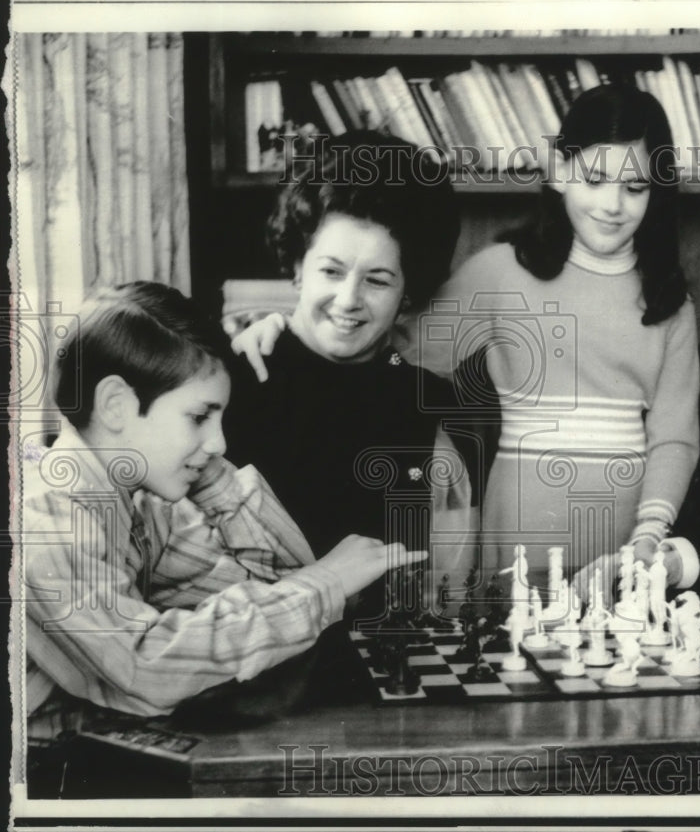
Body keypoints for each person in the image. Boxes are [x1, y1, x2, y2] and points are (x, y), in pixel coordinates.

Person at [236, 86, 700, 597]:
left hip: (623, 532)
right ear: (558, 171)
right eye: (594, 179)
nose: (613, 204)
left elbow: (674, 435)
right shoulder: (499, 272)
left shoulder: (670, 303)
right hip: (515, 533)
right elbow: (388, 329)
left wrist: (650, 535)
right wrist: (277, 323)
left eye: (635, 187)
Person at [20, 282, 424, 735]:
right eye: (198, 418)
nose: (220, 442)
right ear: (116, 405)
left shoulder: (142, 507)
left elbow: (274, 580)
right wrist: (325, 582)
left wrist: (214, 480)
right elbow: (148, 666)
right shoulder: (45, 520)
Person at [223, 131, 475, 606]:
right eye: (331, 272)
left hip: (392, 663)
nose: (348, 300)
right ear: (298, 266)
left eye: (377, 280)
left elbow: (444, 579)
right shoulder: (230, 381)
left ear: (408, 294)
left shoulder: (431, 402)